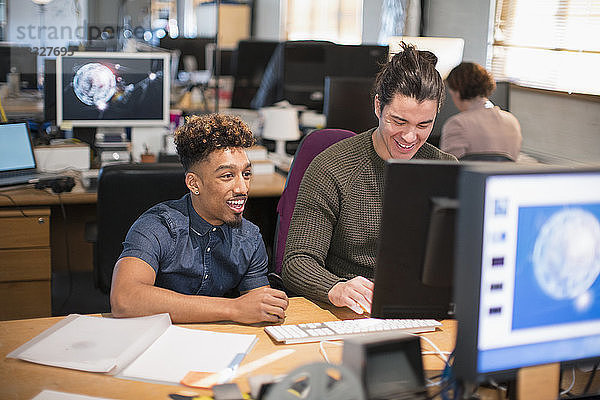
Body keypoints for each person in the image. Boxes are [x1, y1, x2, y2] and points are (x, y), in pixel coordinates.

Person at [281, 42, 456, 315]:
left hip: (419, 310)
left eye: (424, 125)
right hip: (347, 310)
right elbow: (297, 261)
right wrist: (336, 287)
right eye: (398, 122)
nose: (410, 138)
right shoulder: (332, 167)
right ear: (378, 106)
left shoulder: (445, 169)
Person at [110, 114, 288, 324]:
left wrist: (270, 306)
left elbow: (259, 310)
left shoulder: (249, 237)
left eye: (246, 174)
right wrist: (232, 308)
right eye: (227, 176)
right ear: (194, 184)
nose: (242, 188)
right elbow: (124, 299)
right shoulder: (157, 226)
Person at [440, 62, 522, 160]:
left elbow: (448, 167)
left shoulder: (457, 124)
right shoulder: (512, 120)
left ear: (457, 92)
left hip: (471, 176)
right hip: (501, 175)